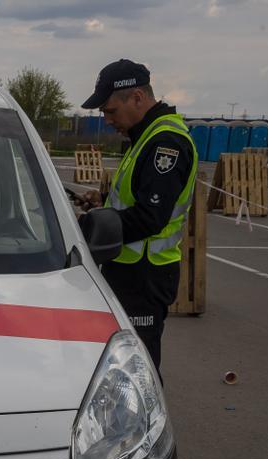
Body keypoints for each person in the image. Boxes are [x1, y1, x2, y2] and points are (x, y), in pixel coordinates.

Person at [77, 59, 197, 373]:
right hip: (128, 271)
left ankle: (146, 422)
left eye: (110, 111)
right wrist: (101, 202)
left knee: (138, 368)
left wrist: (88, 229)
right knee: (119, 363)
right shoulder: (143, 137)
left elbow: (150, 217)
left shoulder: (165, 142)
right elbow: (137, 196)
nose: (107, 120)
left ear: (137, 98)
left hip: (145, 275)